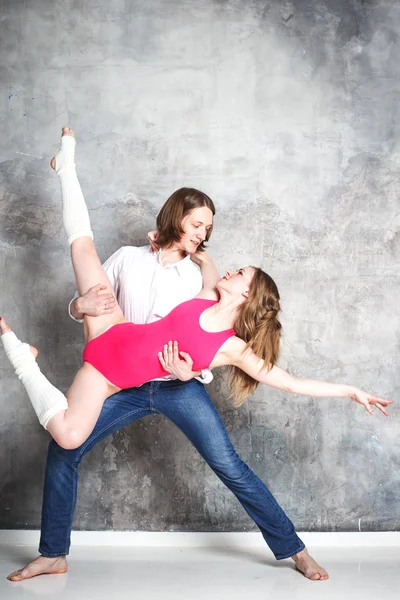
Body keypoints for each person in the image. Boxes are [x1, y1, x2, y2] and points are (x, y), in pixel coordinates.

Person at [2, 128, 391, 583]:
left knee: (230, 465)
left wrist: (350, 390)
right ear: (178, 221)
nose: (209, 242)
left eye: (209, 231)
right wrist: (83, 303)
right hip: (114, 355)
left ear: (246, 294)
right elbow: (201, 262)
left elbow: (291, 382)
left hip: (176, 387)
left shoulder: (222, 326)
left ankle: (294, 549)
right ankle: (53, 553)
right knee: (65, 444)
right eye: (197, 225)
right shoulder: (166, 270)